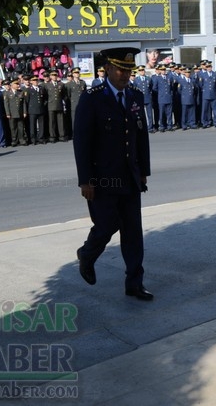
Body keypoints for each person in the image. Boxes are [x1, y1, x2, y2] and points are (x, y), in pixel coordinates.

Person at [73, 47, 153, 302]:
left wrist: (143, 172)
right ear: (107, 68)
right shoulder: (93, 98)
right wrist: (85, 180)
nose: (125, 74)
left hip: (129, 176)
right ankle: (87, 254)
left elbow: (141, 137)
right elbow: (82, 142)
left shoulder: (135, 96)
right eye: (120, 69)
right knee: (107, 226)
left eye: (128, 70)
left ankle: (134, 283)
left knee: (133, 232)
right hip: (102, 178)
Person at [24, 75, 47, 145]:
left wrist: (43, 105)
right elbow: (27, 100)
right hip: (32, 110)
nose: (36, 82)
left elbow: (45, 98)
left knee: (41, 125)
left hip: (41, 109)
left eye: (36, 80)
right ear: (31, 82)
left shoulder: (41, 88)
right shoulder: (28, 90)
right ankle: (33, 139)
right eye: (34, 80)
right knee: (32, 126)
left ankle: (41, 138)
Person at [4, 79, 28, 146]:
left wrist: (24, 112)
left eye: (18, 84)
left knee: (21, 127)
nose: (18, 85)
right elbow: (6, 104)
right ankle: (14, 140)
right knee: (13, 127)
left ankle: (22, 140)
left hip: (20, 112)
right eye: (16, 84)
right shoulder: (7, 93)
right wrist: (8, 113)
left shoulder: (21, 92)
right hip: (12, 113)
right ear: (12, 85)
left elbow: (23, 103)